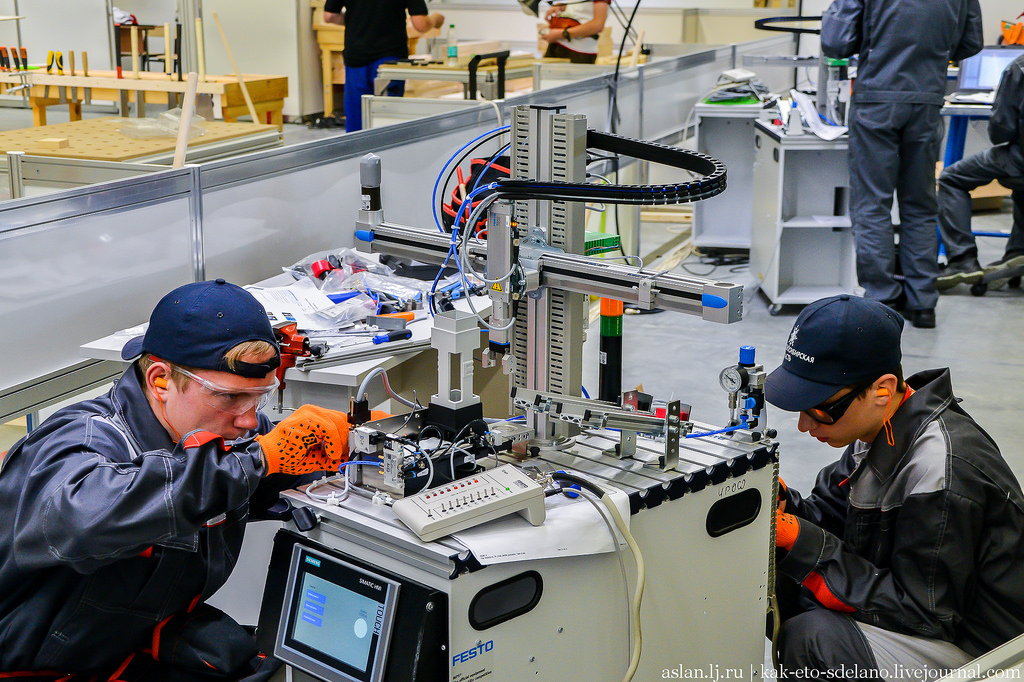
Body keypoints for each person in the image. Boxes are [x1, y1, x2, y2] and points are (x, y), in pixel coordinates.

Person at [0, 279, 358, 680]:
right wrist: (262, 459)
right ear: (160, 380)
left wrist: (355, 452)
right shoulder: (81, 444)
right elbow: (86, 521)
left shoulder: (221, 437)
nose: (248, 419)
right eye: (228, 397)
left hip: (122, 643)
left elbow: (247, 475)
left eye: (257, 397)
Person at [764, 294, 1024, 677]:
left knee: (815, 639)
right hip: (929, 612)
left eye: (820, 409)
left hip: (980, 650)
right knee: (772, 580)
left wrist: (804, 543)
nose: (805, 425)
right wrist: (786, 508)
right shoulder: (879, 425)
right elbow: (835, 516)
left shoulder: (941, 470)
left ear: (882, 388)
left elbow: (926, 612)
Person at [821, 0, 983, 329]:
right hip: (927, 101)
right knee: (921, 203)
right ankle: (922, 302)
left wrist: (875, 42)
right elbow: (972, 42)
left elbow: (835, 41)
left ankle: (882, 299)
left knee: (872, 204)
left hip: (876, 100)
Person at [935, 52, 1024, 292]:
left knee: (951, 178)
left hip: (1020, 159)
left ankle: (962, 260)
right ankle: (1017, 253)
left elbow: (1001, 132)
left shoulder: (1019, 67)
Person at [323, 0, 444, 133]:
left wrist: (358, 18)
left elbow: (329, 16)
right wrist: (435, 19)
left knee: (357, 125)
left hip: (356, 58)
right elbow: (420, 24)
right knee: (387, 123)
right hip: (389, 61)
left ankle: (357, 153)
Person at [541, 0, 609, 65]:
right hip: (557, 45)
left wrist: (561, 34)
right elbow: (580, 9)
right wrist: (560, 6)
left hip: (580, 52)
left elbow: (597, 25)